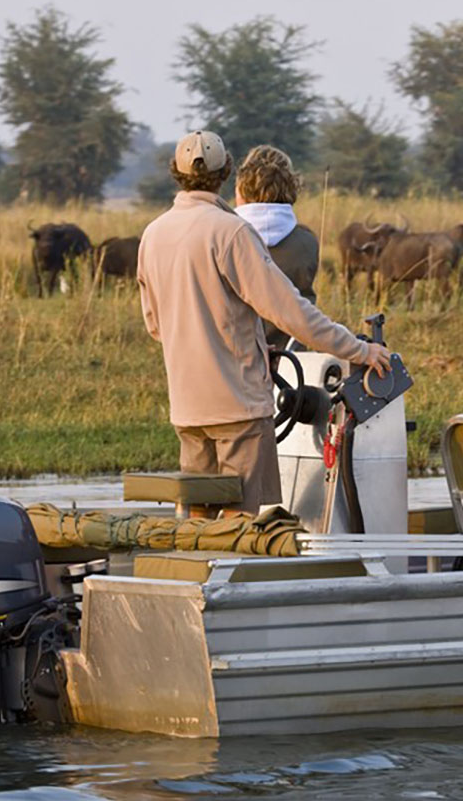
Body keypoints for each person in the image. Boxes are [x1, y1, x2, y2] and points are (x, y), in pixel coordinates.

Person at [137, 130, 390, 515]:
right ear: (226, 173)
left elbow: (156, 327)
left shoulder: (153, 235)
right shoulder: (231, 232)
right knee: (241, 523)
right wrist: (361, 349)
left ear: (176, 172)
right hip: (238, 407)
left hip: (187, 409)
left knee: (200, 520)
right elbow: (292, 313)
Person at [234, 144, 320, 349]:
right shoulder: (306, 242)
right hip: (292, 360)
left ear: (241, 189)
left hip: (234, 361)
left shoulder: (223, 239)